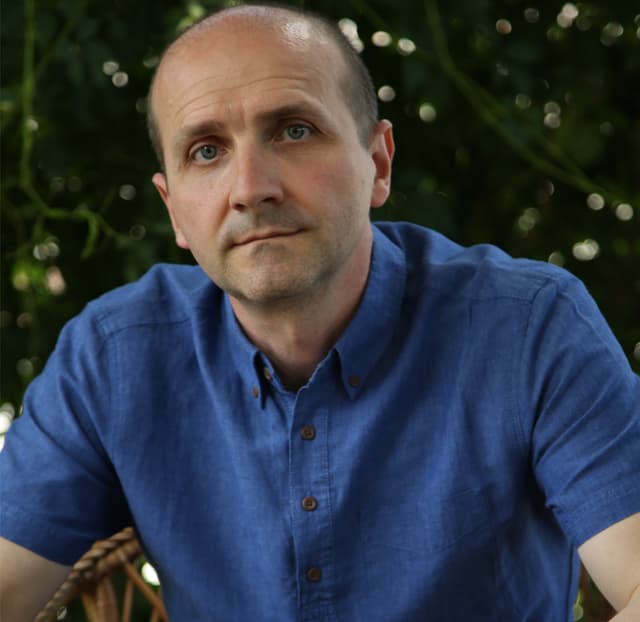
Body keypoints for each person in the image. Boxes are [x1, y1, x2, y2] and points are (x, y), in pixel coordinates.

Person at [1, 3, 639, 621]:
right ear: (174, 211)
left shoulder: (527, 328)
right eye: (206, 151)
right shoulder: (114, 356)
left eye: (294, 131)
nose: (251, 188)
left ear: (378, 164)